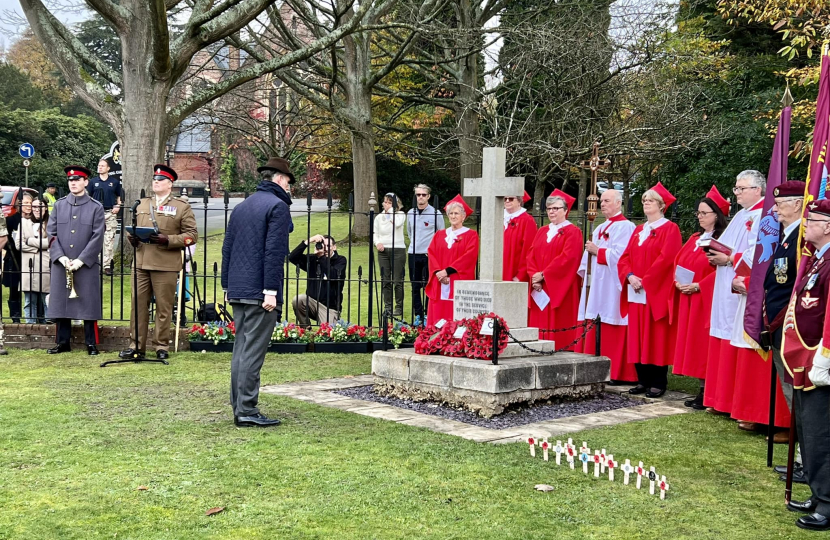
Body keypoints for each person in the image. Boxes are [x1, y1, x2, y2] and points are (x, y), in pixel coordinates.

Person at [221, 156, 293, 428]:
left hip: (239, 287)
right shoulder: (277, 206)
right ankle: (247, 409)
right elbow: (274, 253)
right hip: (260, 291)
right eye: (288, 181)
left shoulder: (242, 206)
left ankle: (239, 406)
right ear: (278, 179)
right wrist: (271, 291)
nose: (290, 187)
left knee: (241, 349)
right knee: (252, 352)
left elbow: (227, 248)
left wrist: (227, 286)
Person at [731, 181, 804, 437]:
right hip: (776, 323)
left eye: (781, 204)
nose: (774, 210)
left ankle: (803, 449)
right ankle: (801, 452)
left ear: (797, 204)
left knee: (798, 390)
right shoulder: (784, 237)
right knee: (788, 387)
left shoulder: (800, 239)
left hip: (792, 325)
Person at [781, 198, 830, 531]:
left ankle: (828, 503)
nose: (806, 224)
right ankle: (818, 492)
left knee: (822, 433)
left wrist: (825, 357)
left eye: (811, 219)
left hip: (819, 359)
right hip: (803, 357)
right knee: (809, 431)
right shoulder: (816, 260)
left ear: (827, 226)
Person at [119, 164, 197, 361]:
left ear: (170, 184)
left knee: (164, 308)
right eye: (154, 179)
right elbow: (135, 228)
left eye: (160, 180)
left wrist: (169, 240)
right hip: (141, 262)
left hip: (165, 263)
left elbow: (192, 236)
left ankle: (161, 346)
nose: (156, 182)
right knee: (138, 306)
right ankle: (136, 345)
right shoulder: (142, 204)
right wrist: (133, 239)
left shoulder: (181, 207)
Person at [703, 170, 765, 414]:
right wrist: (713, 251)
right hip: (724, 281)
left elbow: (758, 254)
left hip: (739, 282)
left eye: (741, 188)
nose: (736, 192)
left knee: (736, 334)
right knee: (722, 333)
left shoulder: (764, 215)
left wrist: (729, 258)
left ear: (757, 190)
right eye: (737, 188)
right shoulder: (742, 214)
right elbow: (727, 244)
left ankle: (733, 402)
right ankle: (720, 399)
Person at [617, 182, 682, 397]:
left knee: (655, 336)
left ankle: (657, 381)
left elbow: (667, 259)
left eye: (650, 200)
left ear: (661, 205)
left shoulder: (670, 228)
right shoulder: (638, 230)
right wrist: (630, 276)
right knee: (636, 335)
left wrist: (645, 280)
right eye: (644, 200)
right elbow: (625, 257)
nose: (646, 203)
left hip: (654, 291)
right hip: (635, 290)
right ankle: (642, 379)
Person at [671, 187, 728, 409]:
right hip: (689, 297)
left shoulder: (722, 239)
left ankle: (707, 391)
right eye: (698, 213)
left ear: (717, 214)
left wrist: (698, 285)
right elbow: (679, 261)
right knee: (693, 343)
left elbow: (722, 271)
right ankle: (701, 387)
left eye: (704, 213)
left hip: (706, 299)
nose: (700, 217)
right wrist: (677, 281)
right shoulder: (696, 237)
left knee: (703, 344)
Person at [576, 189, 637, 383]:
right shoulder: (600, 227)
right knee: (595, 315)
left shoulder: (627, 227)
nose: (602, 204)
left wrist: (598, 251)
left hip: (612, 283)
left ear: (619, 203)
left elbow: (623, 256)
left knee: (612, 317)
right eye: (601, 201)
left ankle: (617, 371)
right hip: (597, 283)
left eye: (607, 201)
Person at [46, 166, 105, 355]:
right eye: (71, 180)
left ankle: (91, 343)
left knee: (88, 303)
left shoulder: (95, 207)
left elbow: (97, 236)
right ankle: (62, 342)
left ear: (86, 182)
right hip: (62, 262)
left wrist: (81, 260)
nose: (73, 182)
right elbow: (51, 233)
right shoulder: (59, 205)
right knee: (62, 302)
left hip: (85, 264)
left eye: (78, 179)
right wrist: (61, 257)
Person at [527, 190, 583, 349]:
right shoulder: (542, 231)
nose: (551, 211)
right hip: (539, 286)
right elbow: (530, 255)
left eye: (556, 208)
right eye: (549, 208)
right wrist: (534, 277)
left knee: (557, 322)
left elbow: (568, 258)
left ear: (566, 211)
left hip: (559, 286)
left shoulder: (573, 232)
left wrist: (544, 275)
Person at [425, 195, 479, 325]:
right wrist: (439, 273)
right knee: (438, 313)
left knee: (454, 314)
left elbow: (468, 257)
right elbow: (432, 253)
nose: (453, 216)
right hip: (440, 280)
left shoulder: (471, 235)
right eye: (451, 213)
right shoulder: (440, 234)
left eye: (456, 213)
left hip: (457, 279)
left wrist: (448, 272)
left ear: (463, 216)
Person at [288, 235, 347, 327]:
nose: (325, 249)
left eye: (328, 246)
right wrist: (308, 241)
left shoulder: (340, 260)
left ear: (334, 247)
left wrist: (322, 258)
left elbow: (334, 276)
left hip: (329, 308)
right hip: (312, 304)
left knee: (327, 334)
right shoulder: (313, 259)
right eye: (322, 245)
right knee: (298, 300)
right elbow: (292, 257)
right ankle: (305, 328)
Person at [406, 184, 444, 321]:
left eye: (423, 195)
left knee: (430, 285)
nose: (420, 197)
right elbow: (409, 232)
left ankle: (428, 314)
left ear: (428, 196)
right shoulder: (410, 213)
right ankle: (418, 315)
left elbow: (440, 234)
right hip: (413, 253)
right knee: (415, 286)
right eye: (418, 195)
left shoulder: (435, 214)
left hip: (429, 255)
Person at [15, 197, 50, 323]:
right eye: (34, 206)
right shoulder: (23, 222)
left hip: (45, 265)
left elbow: (52, 242)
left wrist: (30, 241)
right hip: (28, 265)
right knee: (29, 301)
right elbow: (19, 244)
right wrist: (38, 248)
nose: (37, 209)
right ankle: (30, 327)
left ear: (45, 207)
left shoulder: (51, 223)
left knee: (47, 300)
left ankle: (48, 327)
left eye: (40, 206)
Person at [88, 159, 122, 275]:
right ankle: (96, 264)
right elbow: (88, 197)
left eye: (102, 166)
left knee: (109, 240)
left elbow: (119, 195)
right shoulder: (93, 182)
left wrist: (118, 206)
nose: (100, 167)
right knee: (95, 239)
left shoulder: (114, 182)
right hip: (95, 214)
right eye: (99, 166)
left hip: (109, 213)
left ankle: (107, 266)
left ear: (108, 168)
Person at [374, 192, 406, 317]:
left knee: (397, 280)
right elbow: (375, 233)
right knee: (385, 280)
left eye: (390, 202)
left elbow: (397, 224)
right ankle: (387, 307)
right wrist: (377, 243)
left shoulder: (400, 215)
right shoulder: (379, 217)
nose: (386, 204)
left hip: (397, 249)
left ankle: (399, 307)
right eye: (385, 202)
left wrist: (391, 211)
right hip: (383, 251)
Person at [503, 191, 537, 282]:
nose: (507, 201)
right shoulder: (498, 218)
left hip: (514, 271)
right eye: (504, 198)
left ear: (519, 201)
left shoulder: (527, 220)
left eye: (510, 198)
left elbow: (529, 249)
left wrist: (521, 275)